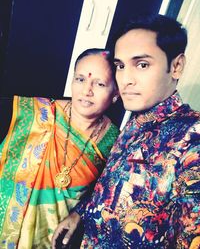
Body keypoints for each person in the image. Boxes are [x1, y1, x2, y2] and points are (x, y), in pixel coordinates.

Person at [52, 14, 200, 249]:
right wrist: (79, 212)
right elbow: (110, 186)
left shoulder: (192, 140)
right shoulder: (134, 124)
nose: (126, 79)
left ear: (176, 66)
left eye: (142, 64)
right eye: (120, 66)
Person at [0, 48, 120, 248]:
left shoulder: (116, 141)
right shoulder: (36, 113)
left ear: (116, 93)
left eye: (99, 84)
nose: (86, 91)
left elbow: (105, 193)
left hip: (57, 238)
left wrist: (79, 213)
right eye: (80, 79)